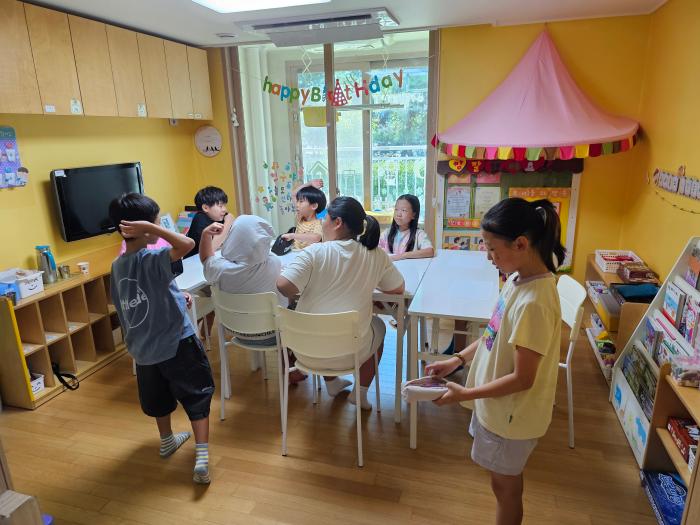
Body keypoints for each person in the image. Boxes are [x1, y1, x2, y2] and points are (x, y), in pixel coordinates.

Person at [425, 197, 565, 525]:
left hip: (512, 415)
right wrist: (457, 360)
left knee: (506, 487)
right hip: (498, 407)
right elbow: (493, 332)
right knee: (501, 482)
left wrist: (465, 394)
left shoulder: (534, 303)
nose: (488, 257)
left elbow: (523, 379)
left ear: (521, 244)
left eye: (492, 249)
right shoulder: (517, 279)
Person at [108, 193, 215, 485]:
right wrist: (151, 228)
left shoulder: (117, 266)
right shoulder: (154, 258)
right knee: (197, 394)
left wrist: (177, 295)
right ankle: (201, 456)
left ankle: (167, 440)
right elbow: (187, 244)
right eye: (156, 221)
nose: (159, 225)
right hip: (177, 341)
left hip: (143, 350)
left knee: (158, 397)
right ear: (143, 228)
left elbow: (134, 299)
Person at [277, 196, 405, 409]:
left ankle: (332, 383)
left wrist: (305, 286)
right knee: (378, 327)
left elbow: (283, 285)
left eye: (325, 218)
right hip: (350, 353)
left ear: (337, 222)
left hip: (304, 351)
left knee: (323, 321)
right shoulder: (375, 255)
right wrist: (367, 284)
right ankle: (360, 394)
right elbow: (397, 289)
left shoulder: (314, 252)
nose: (322, 222)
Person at [379, 194, 434, 260]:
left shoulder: (419, 234)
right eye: (396, 209)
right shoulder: (387, 233)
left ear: (413, 215)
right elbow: (374, 246)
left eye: (403, 210)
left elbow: (430, 251)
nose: (398, 214)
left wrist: (403, 256)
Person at [185, 186, 233, 259]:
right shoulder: (200, 219)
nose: (224, 210)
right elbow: (211, 249)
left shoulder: (217, 217)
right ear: (206, 208)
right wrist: (228, 223)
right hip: (193, 261)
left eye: (224, 206)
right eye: (220, 206)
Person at [282, 185, 326, 251]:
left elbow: (316, 237)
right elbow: (294, 194)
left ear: (314, 206)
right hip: (295, 252)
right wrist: (310, 183)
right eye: (297, 201)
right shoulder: (301, 217)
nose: (297, 205)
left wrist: (292, 235)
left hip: (307, 256)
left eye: (301, 201)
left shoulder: (318, 223)